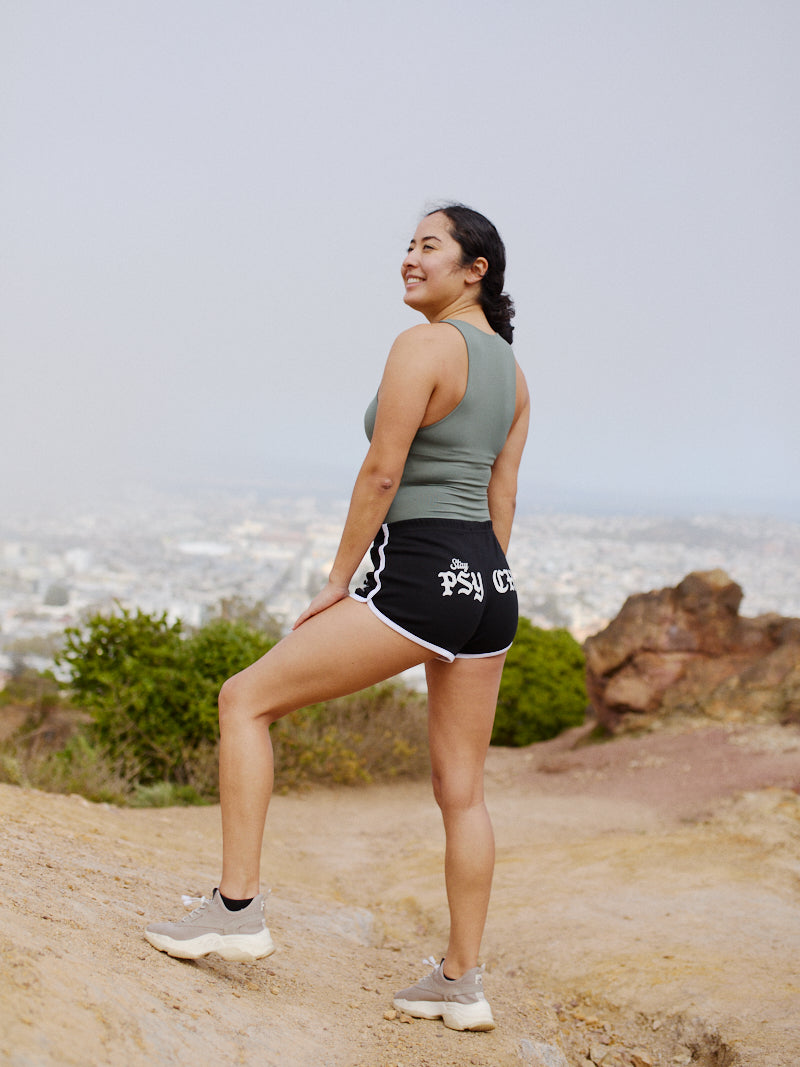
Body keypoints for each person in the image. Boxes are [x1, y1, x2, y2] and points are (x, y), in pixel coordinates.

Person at [145, 202, 530, 1032]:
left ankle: (236, 909)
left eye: (428, 246)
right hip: (487, 585)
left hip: (421, 568)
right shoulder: (512, 371)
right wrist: (477, 586)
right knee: (463, 792)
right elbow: (501, 497)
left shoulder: (423, 346)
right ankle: (461, 980)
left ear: (475, 270)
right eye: (406, 245)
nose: (407, 258)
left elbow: (382, 471)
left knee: (244, 698)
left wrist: (338, 579)